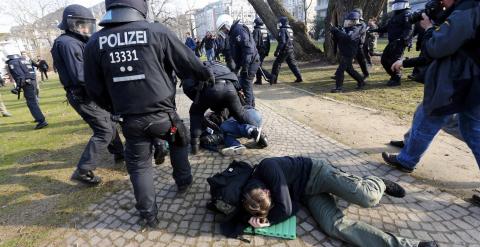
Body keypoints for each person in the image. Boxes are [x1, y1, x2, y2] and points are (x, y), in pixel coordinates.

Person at [84, 0, 213, 227]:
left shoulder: (95, 42)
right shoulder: (156, 31)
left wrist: (114, 108)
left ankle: (148, 214)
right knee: (179, 141)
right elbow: (189, 62)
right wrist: (205, 74)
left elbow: (93, 89)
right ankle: (183, 181)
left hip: (131, 121)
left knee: (139, 166)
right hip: (165, 117)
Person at [382, 0, 480, 205]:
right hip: (466, 80)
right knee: (467, 127)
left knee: (435, 118)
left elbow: (438, 47)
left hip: (460, 82)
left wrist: (428, 29)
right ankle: (406, 159)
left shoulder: (468, 8)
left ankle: (406, 160)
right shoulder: (466, 8)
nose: (440, 1)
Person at [241, 156, 438, 247]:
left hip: (318, 173)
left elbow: (286, 209)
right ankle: (410, 245)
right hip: (308, 194)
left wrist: (267, 221)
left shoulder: (268, 166)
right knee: (333, 226)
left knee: (368, 198)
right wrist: (258, 218)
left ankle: (377, 182)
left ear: (267, 190)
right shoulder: (254, 194)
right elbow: (292, 209)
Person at [51, 4, 125, 186]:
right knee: (104, 130)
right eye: (82, 25)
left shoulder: (75, 41)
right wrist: (105, 81)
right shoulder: (67, 43)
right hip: (83, 95)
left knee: (110, 121)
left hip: (89, 93)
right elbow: (80, 76)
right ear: (72, 24)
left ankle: (119, 152)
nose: (86, 29)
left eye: (88, 25)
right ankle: (83, 170)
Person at [182, 61, 266, 155]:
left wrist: (201, 101)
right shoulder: (220, 66)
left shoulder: (194, 70)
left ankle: (195, 146)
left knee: (195, 112)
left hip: (210, 89)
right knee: (241, 115)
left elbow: (190, 91)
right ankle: (256, 131)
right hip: (229, 88)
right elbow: (236, 83)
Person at [217, 14, 260, 107]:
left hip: (251, 61)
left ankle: (249, 109)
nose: (224, 31)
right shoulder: (233, 32)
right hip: (246, 61)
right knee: (243, 83)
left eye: (223, 28)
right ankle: (251, 105)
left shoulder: (238, 30)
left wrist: (245, 67)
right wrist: (237, 68)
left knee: (246, 84)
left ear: (227, 23)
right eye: (222, 29)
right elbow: (238, 51)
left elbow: (248, 49)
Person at [370, 0, 413, 86]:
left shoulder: (407, 14)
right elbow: (387, 27)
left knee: (394, 61)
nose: (397, 6)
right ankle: (394, 75)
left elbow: (409, 29)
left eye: (399, 4)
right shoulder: (395, 15)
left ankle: (396, 78)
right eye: (396, 4)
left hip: (399, 42)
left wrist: (403, 39)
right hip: (392, 42)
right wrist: (374, 30)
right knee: (384, 60)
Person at [5, 46, 48, 129]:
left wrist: (17, 88)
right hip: (33, 81)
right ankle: (39, 117)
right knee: (34, 101)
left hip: (27, 84)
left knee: (31, 102)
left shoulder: (13, 62)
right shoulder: (23, 59)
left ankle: (41, 120)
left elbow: (20, 76)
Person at [330, 12, 366, 93]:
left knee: (340, 70)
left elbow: (348, 38)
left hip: (349, 52)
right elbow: (339, 39)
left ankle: (338, 88)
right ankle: (361, 81)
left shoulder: (356, 28)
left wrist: (337, 32)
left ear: (354, 21)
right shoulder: (348, 28)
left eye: (348, 21)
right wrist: (335, 33)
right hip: (345, 51)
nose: (346, 22)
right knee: (349, 69)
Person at [270, 17, 303, 85]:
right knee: (292, 64)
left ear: (282, 22)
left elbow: (282, 41)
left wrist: (277, 51)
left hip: (284, 50)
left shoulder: (283, 30)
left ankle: (273, 79)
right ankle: (299, 77)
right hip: (290, 49)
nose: (278, 24)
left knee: (277, 64)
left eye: (279, 22)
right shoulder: (290, 29)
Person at [252, 17, 271, 85]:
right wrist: (267, 51)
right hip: (264, 50)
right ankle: (259, 80)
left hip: (258, 51)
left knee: (257, 66)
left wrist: (253, 51)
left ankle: (270, 76)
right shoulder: (265, 30)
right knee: (258, 65)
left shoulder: (256, 30)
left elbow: (254, 42)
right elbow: (268, 42)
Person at [351, 8, 369, 80]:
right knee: (345, 59)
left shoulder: (362, 23)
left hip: (359, 44)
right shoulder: (354, 22)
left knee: (361, 60)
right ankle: (339, 74)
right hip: (353, 44)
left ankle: (366, 73)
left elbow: (358, 33)